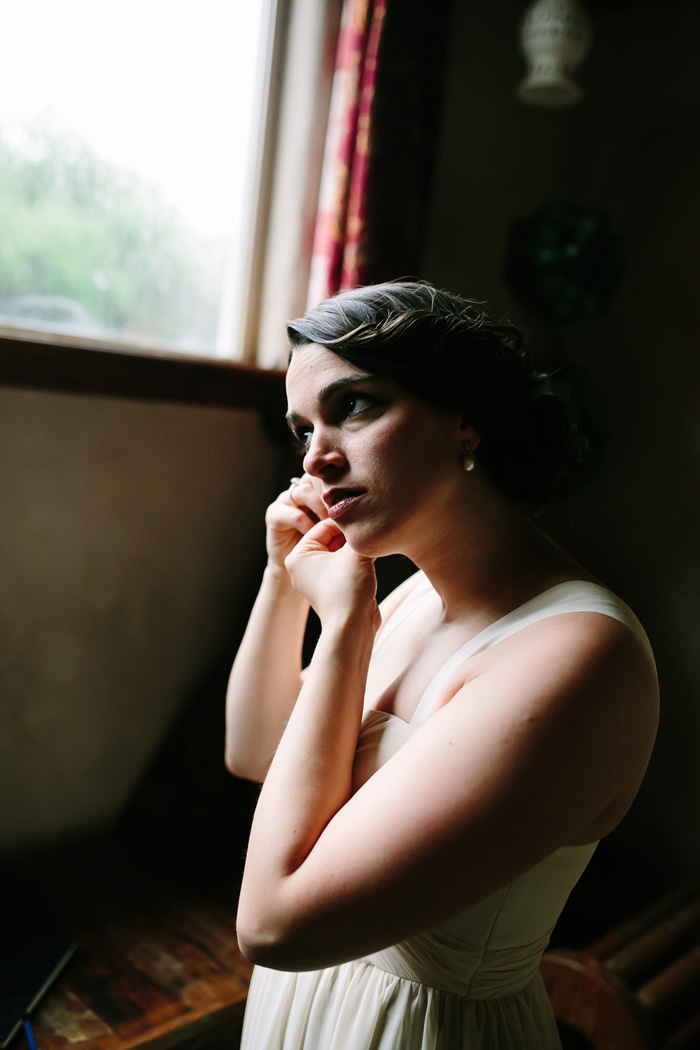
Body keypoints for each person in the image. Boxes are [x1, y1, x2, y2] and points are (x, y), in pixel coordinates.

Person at [225, 280, 658, 1050]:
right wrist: (278, 575)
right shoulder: (423, 595)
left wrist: (348, 625)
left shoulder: (579, 655)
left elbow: (272, 922)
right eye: (302, 430)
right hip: (302, 1016)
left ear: (466, 420)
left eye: (352, 406)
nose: (317, 459)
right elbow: (259, 755)